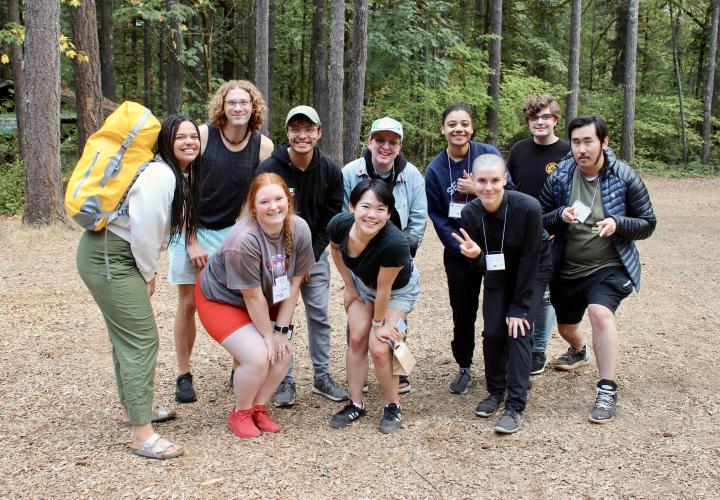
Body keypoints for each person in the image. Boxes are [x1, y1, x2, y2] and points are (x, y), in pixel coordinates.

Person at [77, 115, 202, 459]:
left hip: (108, 253)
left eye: (194, 136)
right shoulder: (161, 173)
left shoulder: (173, 172)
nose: (190, 142)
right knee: (141, 338)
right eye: (181, 136)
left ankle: (133, 409)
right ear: (165, 140)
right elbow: (145, 229)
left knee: (127, 337)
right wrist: (149, 273)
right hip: (111, 256)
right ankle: (142, 434)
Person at [540, 115, 656, 423]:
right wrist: (559, 216)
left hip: (610, 264)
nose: (581, 149)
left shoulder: (624, 176)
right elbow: (539, 217)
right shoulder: (561, 176)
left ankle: (606, 388)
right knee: (566, 327)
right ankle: (579, 349)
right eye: (576, 142)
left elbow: (648, 224)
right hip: (567, 267)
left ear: (603, 142)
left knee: (599, 313)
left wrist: (619, 223)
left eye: (588, 141)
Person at [167, 80, 273, 404]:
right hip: (192, 226)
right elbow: (182, 187)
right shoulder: (203, 135)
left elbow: (254, 192)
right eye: (232, 103)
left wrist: (241, 227)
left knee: (238, 299)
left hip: (231, 231)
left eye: (244, 102)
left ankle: (239, 363)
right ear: (222, 107)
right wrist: (191, 240)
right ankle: (184, 374)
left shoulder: (263, 146)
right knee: (188, 302)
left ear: (253, 107)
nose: (238, 108)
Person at [194, 173, 314, 438]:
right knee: (259, 356)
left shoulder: (300, 229)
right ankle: (241, 411)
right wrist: (267, 337)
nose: (273, 207)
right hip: (222, 299)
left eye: (279, 199)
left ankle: (259, 407)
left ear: (288, 200)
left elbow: (294, 286)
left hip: (270, 295)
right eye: (264, 202)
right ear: (253, 207)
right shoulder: (243, 240)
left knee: (283, 354)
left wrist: (281, 332)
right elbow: (252, 297)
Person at [451, 154, 551, 434]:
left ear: (505, 180)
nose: (489, 187)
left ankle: (515, 405)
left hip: (532, 270)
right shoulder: (470, 214)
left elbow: (532, 259)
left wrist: (520, 306)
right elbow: (483, 265)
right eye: (482, 181)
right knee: (493, 332)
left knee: (517, 329)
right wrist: (475, 257)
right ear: (473, 181)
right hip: (497, 272)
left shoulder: (529, 208)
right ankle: (496, 390)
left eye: (495, 180)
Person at [257, 105, 348, 407]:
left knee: (319, 314)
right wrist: (287, 259)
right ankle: (285, 379)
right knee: (282, 317)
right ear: (287, 133)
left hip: (316, 256)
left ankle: (322, 376)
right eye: (296, 128)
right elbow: (261, 215)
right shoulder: (271, 168)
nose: (302, 135)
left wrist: (309, 258)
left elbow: (332, 218)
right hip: (278, 258)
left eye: (309, 129)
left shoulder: (331, 170)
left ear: (319, 133)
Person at [425, 103, 513, 395]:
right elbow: (437, 216)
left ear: (472, 127)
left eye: (464, 123)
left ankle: (501, 365)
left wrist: (477, 189)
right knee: (463, 310)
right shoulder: (436, 169)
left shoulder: (488, 155)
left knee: (499, 304)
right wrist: (459, 245)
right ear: (443, 129)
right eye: (452, 124)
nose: (458, 129)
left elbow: (510, 192)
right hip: (459, 250)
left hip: (495, 245)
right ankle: (464, 364)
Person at [327, 180, 421, 434]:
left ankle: (393, 405)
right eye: (365, 206)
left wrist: (379, 325)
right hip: (362, 283)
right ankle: (355, 403)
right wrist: (348, 284)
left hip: (398, 291)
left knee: (380, 346)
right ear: (352, 206)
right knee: (357, 337)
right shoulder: (340, 225)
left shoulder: (394, 243)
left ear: (389, 214)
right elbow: (335, 250)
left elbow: (385, 289)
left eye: (381, 209)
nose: (372, 215)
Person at [342, 116, 426, 394]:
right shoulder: (351, 172)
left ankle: (400, 372)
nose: (385, 147)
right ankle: (361, 374)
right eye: (380, 140)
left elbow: (417, 218)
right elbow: (344, 217)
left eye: (393, 142)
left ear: (400, 146)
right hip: (362, 264)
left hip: (396, 261)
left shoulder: (412, 175)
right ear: (370, 142)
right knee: (357, 328)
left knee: (395, 327)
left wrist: (402, 251)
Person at [507, 94, 571, 375]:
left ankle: (537, 349)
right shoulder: (519, 150)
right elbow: (508, 188)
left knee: (544, 294)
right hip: (518, 233)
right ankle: (518, 341)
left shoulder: (567, 152)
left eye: (546, 117)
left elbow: (572, 194)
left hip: (554, 234)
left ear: (556, 120)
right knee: (517, 286)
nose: (540, 122)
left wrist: (557, 227)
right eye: (535, 118)